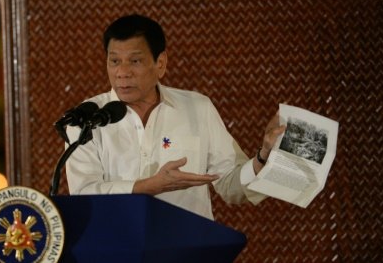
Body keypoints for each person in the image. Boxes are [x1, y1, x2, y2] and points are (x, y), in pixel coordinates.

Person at [65, 14, 286, 220]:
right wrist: (146, 186)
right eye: (114, 61)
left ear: (160, 64)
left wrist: (264, 156)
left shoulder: (198, 108)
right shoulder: (86, 117)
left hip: (187, 249)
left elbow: (231, 187)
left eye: (135, 61)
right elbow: (83, 194)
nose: (122, 72)